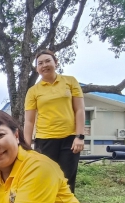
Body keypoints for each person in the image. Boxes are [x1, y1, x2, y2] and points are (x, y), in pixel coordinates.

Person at [24, 49, 85, 194]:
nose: (44, 65)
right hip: (45, 140)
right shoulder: (33, 91)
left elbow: (80, 110)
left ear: (56, 63)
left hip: (69, 140)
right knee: (46, 177)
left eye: (47, 61)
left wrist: (79, 136)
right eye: (40, 63)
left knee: (67, 179)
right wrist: (26, 146)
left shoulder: (70, 81)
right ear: (37, 68)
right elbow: (29, 121)